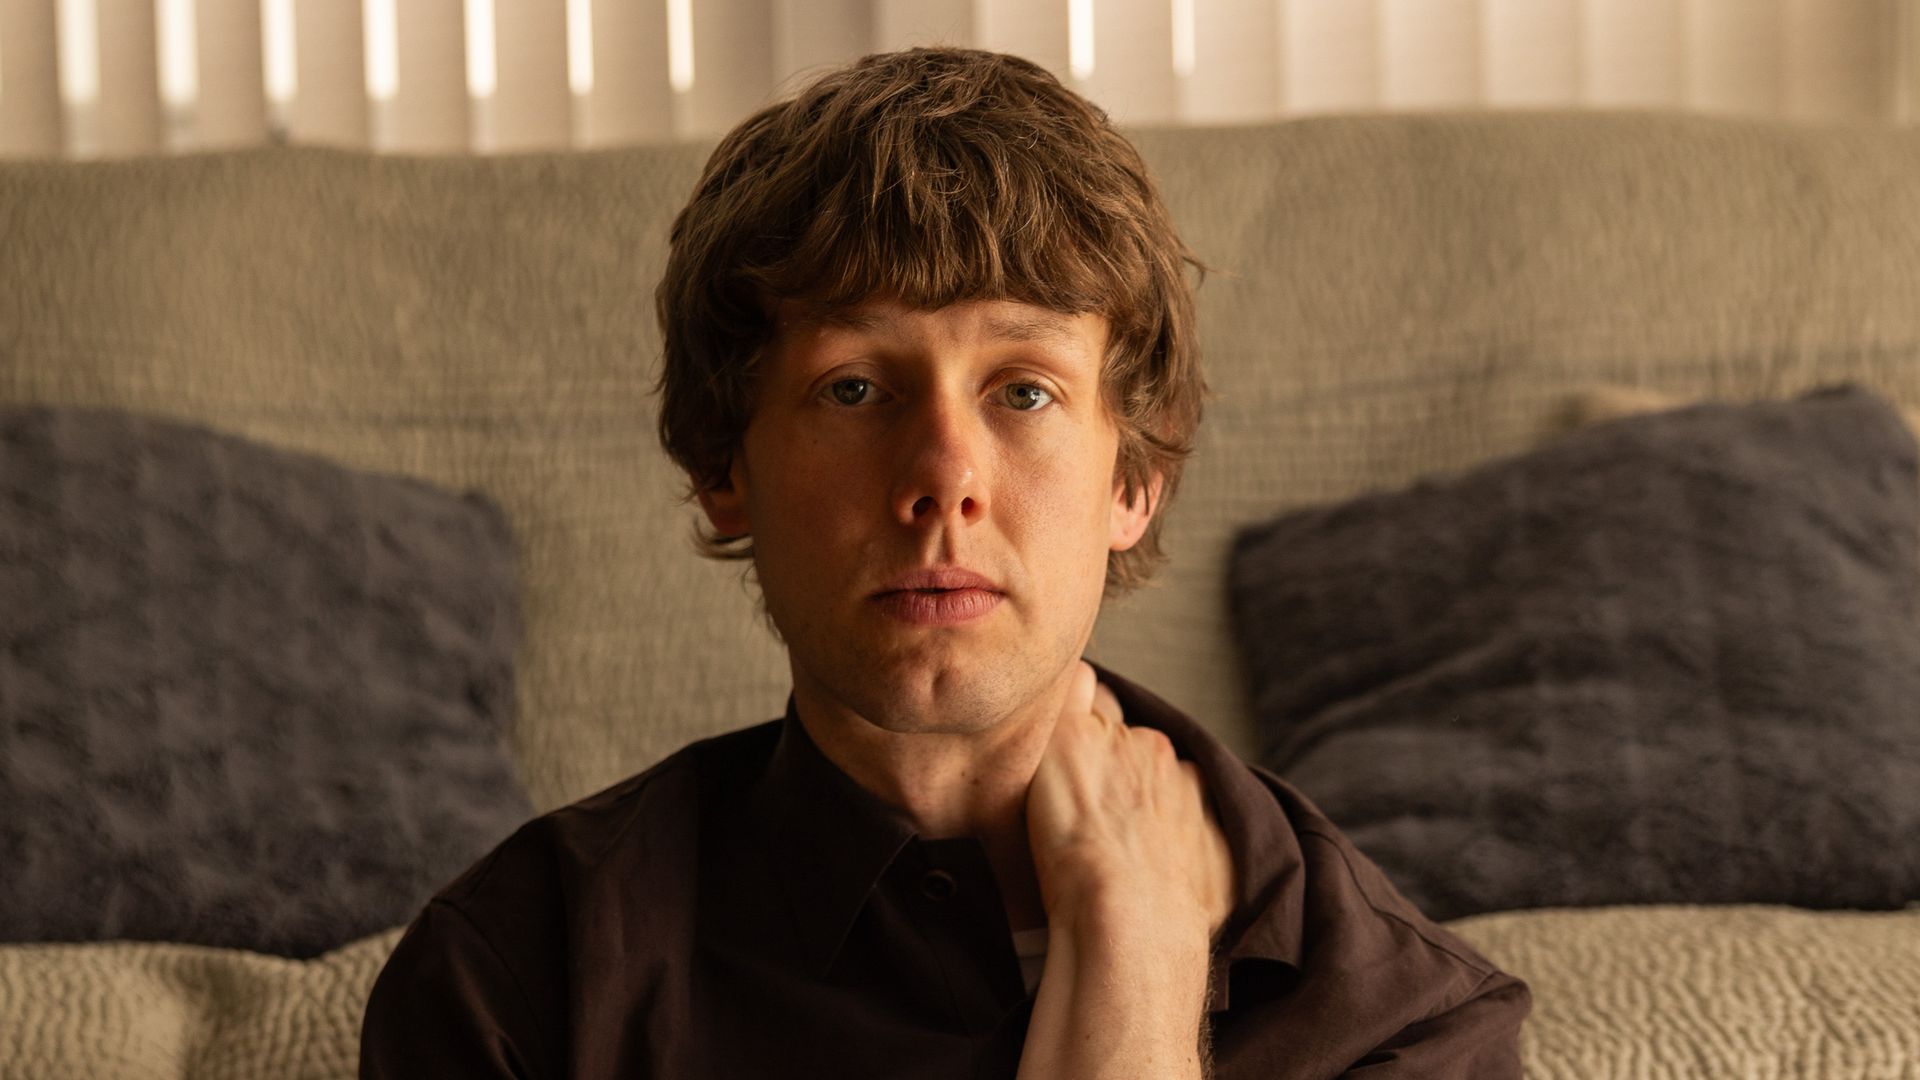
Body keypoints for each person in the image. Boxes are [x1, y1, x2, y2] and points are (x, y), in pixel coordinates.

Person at [359, 46, 1529, 1079]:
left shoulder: (1396, 1022)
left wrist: (1147, 949)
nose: (944, 478)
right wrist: (1133, 962)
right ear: (727, 467)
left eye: (1024, 390)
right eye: (856, 388)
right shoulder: (516, 979)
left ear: (1135, 479)